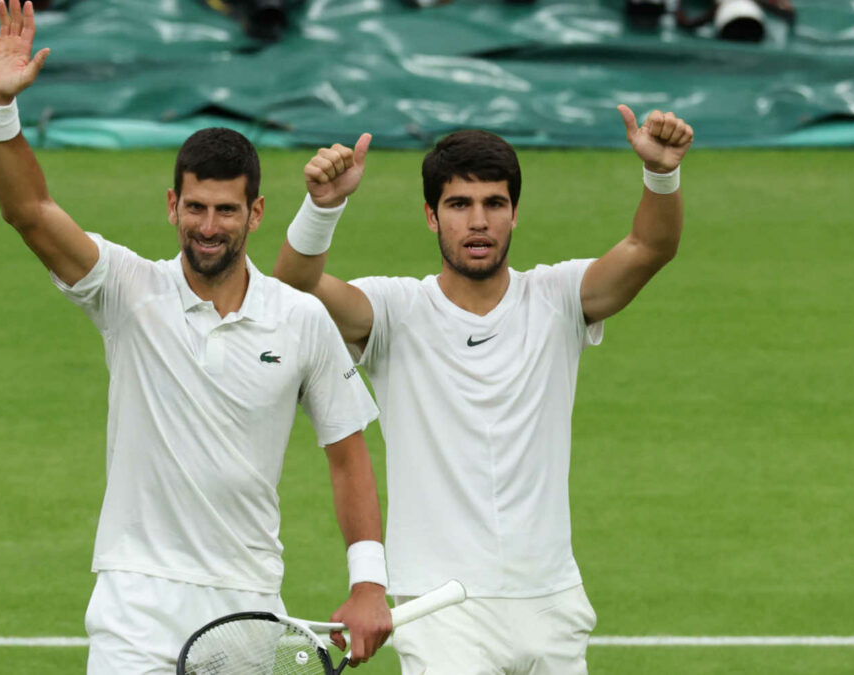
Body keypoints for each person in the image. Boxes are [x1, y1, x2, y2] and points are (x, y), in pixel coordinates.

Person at [0, 1, 392, 672]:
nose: (208, 225)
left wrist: (369, 580)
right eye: (194, 207)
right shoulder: (128, 291)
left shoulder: (301, 318)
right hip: (135, 602)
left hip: (248, 605)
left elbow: (349, 456)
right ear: (172, 206)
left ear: (254, 212)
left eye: (226, 210)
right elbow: (28, 211)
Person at [274, 109, 693, 673]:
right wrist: (322, 207)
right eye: (459, 204)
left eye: (494, 204)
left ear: (514, 215)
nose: (478, 221)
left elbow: (650, 248)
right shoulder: (394, 311)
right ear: (431, 216)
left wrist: (662, 175)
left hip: (551, 598)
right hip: (441, 608)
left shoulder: (559, 297)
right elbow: (292, 288)